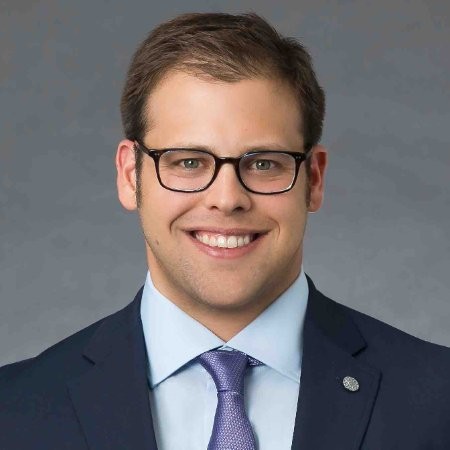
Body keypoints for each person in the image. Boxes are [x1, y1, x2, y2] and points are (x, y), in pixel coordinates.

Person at [1, 11, 449, 450]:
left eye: (264, 163)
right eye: (189, 161)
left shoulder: (436, 401)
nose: (227, 198)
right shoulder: (14, 411)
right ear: (129, 175)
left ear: (313, 179)